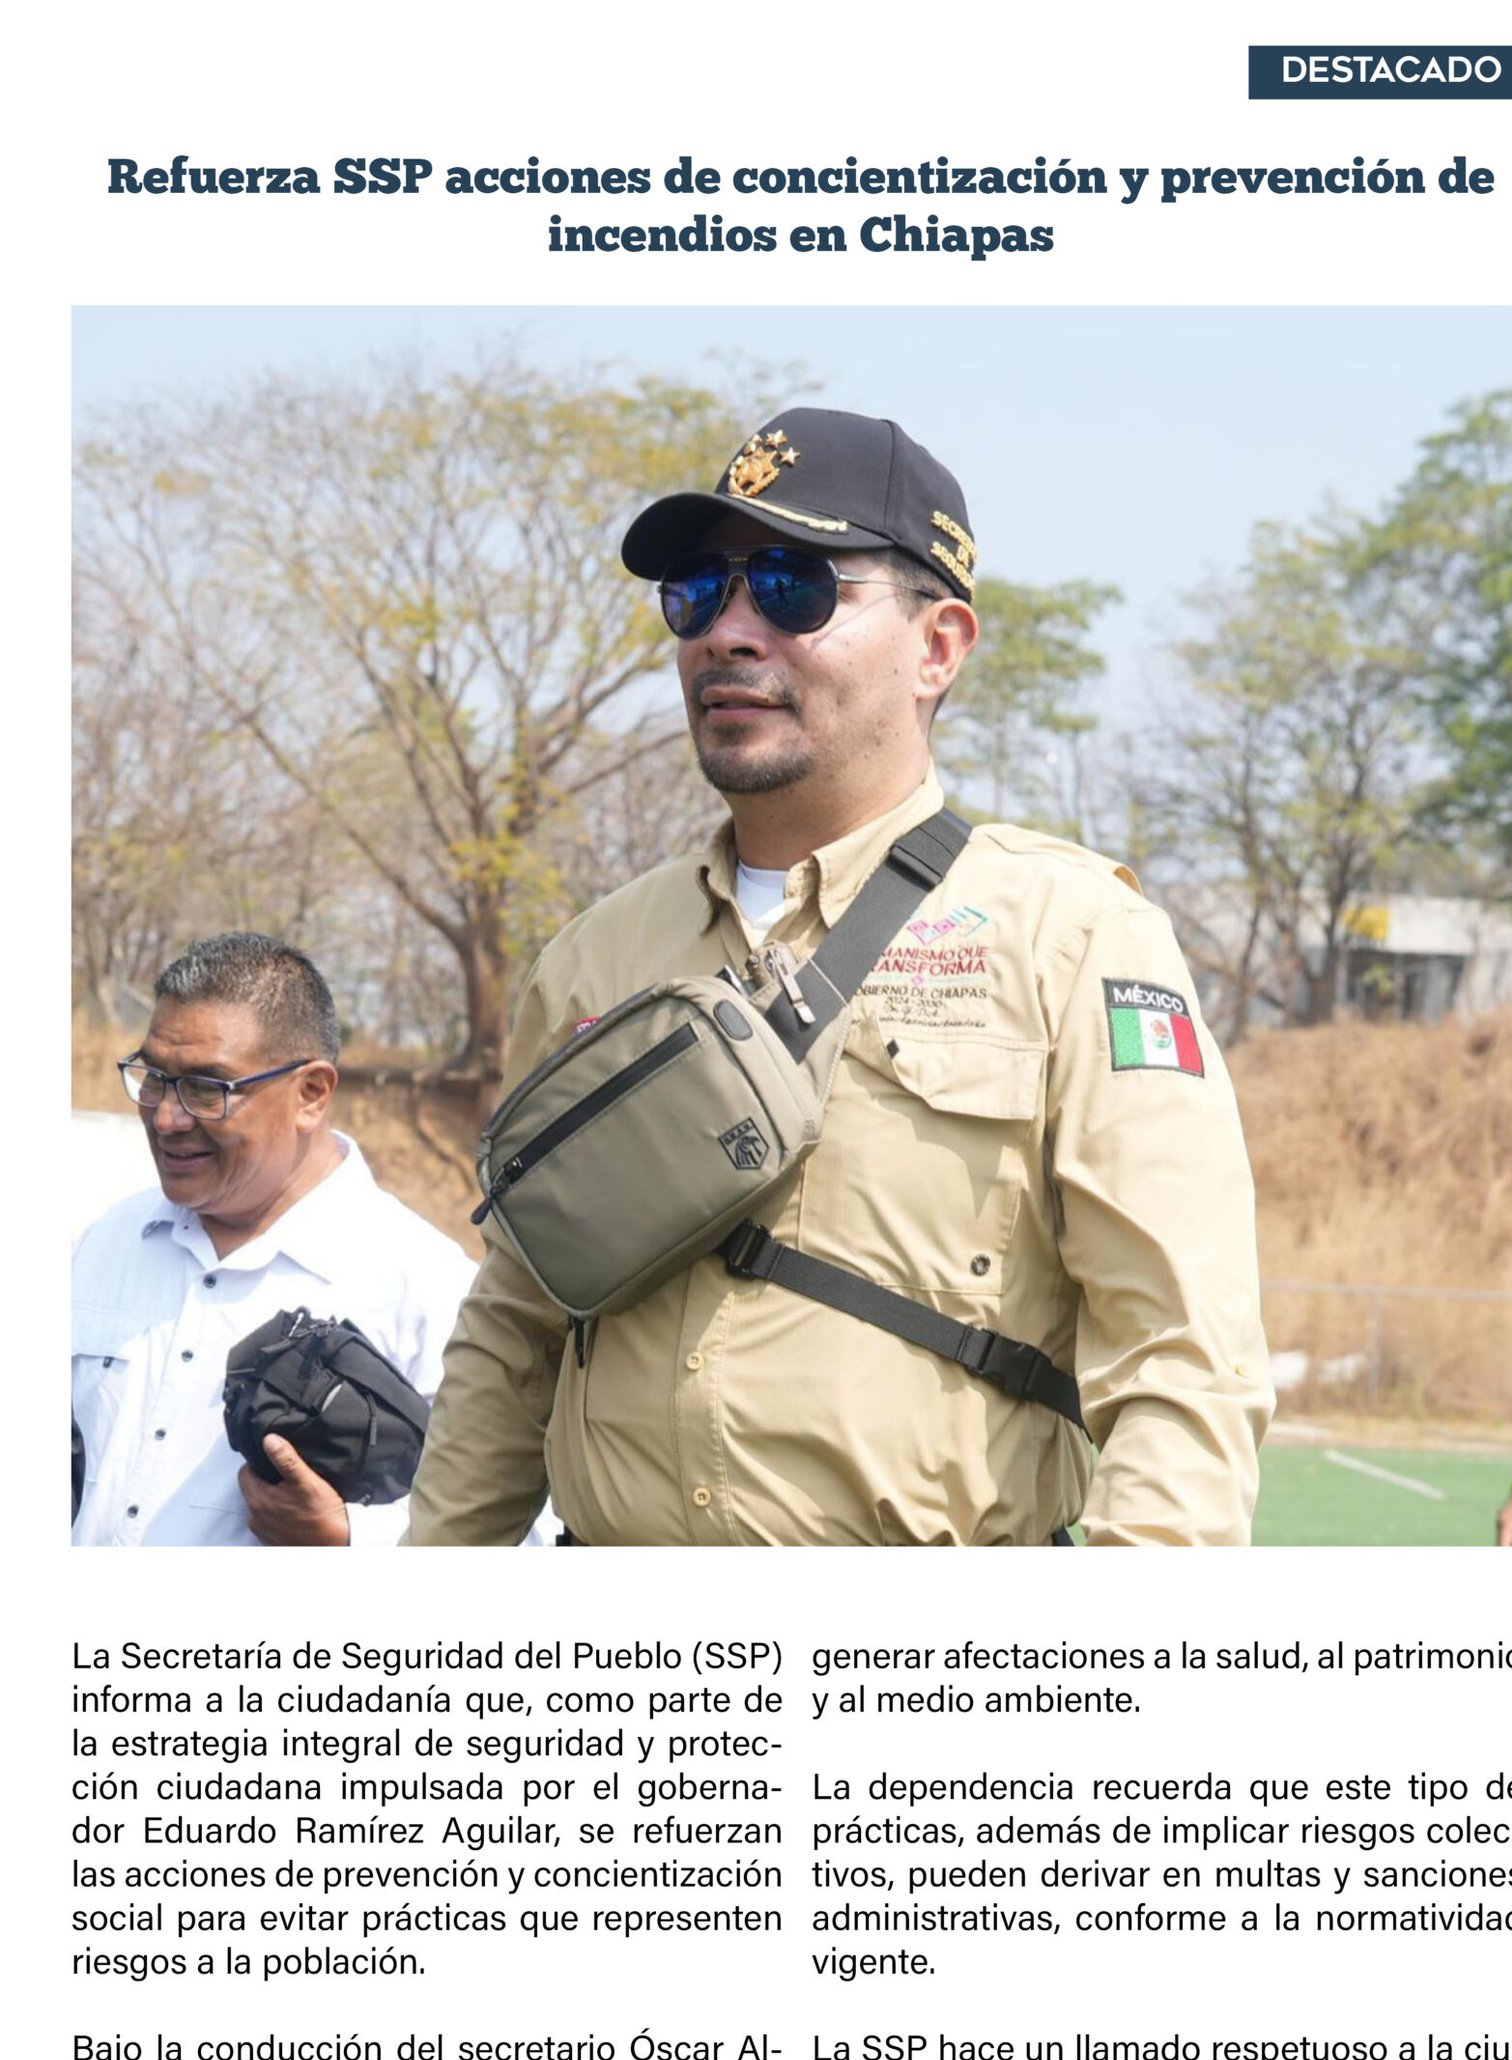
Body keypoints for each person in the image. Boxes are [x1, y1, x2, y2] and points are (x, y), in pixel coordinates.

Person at [406, 407, 1273, 1546]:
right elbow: (514, 1331)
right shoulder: (592, 957)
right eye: (696, 593)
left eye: (793, 586)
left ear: (937, 647)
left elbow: (1182, 1365)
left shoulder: (1073, 937)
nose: (728, 632)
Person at [72, 933, 475, 1546]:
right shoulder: (108, 1240)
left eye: (207, 1089)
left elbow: (517, 1525)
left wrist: (350, 1539)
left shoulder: (428, 1287)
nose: (166, 1118)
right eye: (154, 1077)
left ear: (311, 1094)